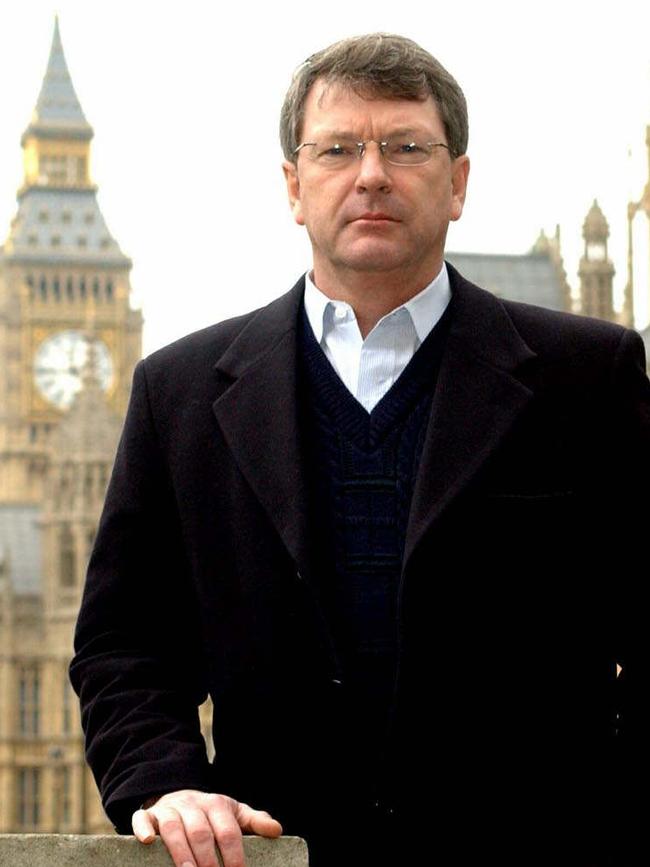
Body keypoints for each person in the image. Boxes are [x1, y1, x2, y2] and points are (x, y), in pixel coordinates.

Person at [70, 33, 650, 867]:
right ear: (293, 186)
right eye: (338, 148)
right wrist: (165, 782)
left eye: (407, 146)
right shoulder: (181, 391)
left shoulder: (587, 375)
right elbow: (125, 645)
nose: (371, 172)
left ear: (457, 184)